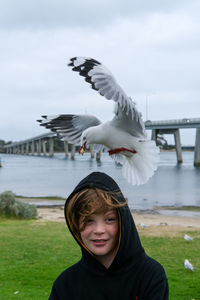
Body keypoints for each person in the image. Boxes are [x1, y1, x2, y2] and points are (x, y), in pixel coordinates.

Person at [49, 171, 169, 299]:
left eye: (109, 219)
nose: (99, 230)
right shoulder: (65, 284)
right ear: (76, 226)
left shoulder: (150, 275)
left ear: (123, 221)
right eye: (89, 220)